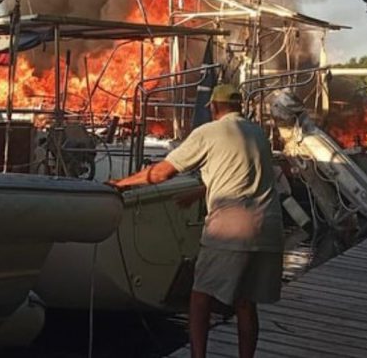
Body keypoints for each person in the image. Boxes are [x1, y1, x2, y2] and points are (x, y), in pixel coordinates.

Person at [108, 84, 283, 358]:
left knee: (200, 298)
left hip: (230, 230)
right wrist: (197, 192)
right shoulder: (257, 133)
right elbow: (245, 176)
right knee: (246, 303)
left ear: (213, 107)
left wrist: (121, 183)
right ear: (239, 106)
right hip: (268, 229)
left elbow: (163, 173)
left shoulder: (208, 132)